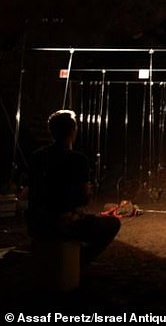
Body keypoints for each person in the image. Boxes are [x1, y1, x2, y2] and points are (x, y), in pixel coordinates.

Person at [25, 109, 120, 268]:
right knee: (112, 223)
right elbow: (84, 198)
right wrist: (70, 211)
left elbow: (34, 194)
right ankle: (80, 262)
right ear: (72, 131)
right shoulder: (78, 159)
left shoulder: (37, 156)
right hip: (61, 225)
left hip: (36, 224)